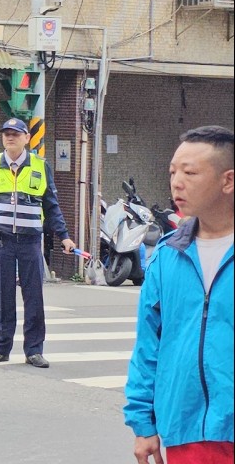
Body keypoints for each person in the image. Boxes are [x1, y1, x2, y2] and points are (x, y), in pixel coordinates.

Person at [124, 125, 233, 464]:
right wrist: (143, 426)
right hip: (187, 431)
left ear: (228, 181)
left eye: (190, 172)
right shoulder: (167, 256)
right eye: (173, 172)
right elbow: (149, 345)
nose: (176, 182)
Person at [0, 117, 75, 368]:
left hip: (30, 241)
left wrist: (64, 236)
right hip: (1, 240)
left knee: (33, 296)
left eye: (15, 134)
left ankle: (34, 350)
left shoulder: (40, 165)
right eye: (6, 134)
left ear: (27, 138)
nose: (9, 137)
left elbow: (51, 205)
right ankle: (0, 348)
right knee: (2, 295)